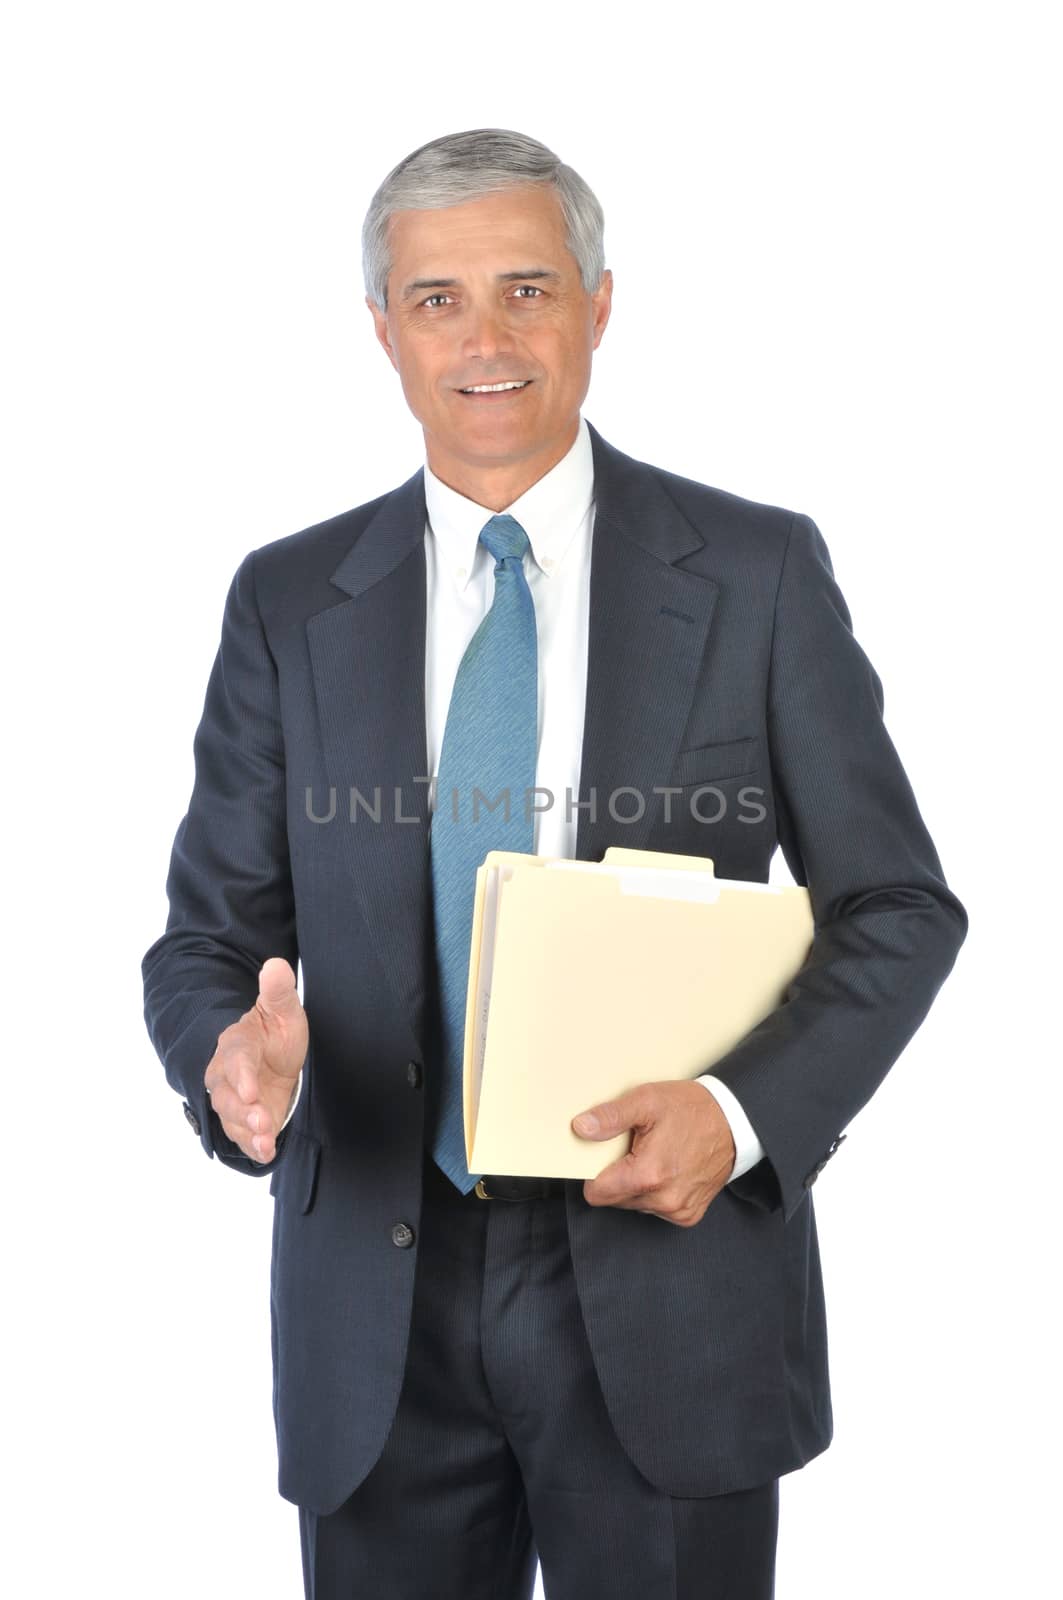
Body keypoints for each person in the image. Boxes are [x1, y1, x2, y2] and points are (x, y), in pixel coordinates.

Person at [141, 127, 967, 1600]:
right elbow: (208, 939)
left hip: (669, 1279)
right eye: (439, 298)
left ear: (599, 303)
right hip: (376, 1311)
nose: (486, 339)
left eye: (528, 287)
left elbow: (898, 906)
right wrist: (230, 1061)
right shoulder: (287, 602)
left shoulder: (757, 575)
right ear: (383, 330)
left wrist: (740, 1114)